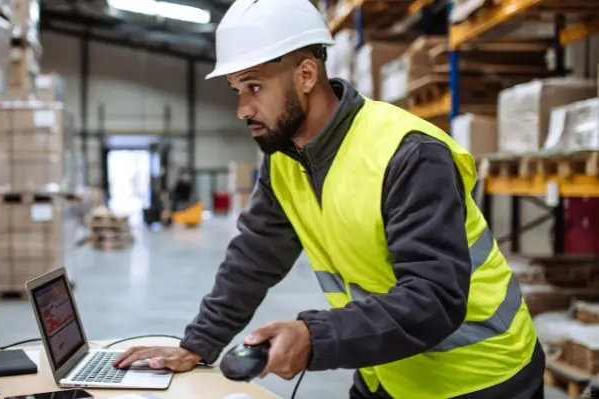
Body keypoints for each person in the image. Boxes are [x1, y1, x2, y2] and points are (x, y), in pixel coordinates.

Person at [114, 0, 545, 397]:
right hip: (388, 371)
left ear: (306, 75)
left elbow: (434, 297)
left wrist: (314, 336)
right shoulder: (286, 161)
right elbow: (254, 258)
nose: (242, 108)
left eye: (254, 87)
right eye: (236, 91)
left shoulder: (408, 153)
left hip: (481, 376)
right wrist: (198, 345)